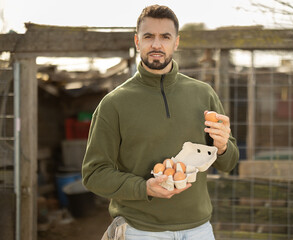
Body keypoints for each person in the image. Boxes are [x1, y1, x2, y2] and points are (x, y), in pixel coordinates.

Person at [82, 4, 239, 240]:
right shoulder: (113, 104)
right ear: (137, 41)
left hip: (199, 230)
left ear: (176, 42)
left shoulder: (203, 94)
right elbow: (93, 174)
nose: (156, 44)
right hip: (139, 230)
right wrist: (143, 187)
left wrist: (223, 146)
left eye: (165, 36)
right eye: (148, 36)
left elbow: (229, 163)